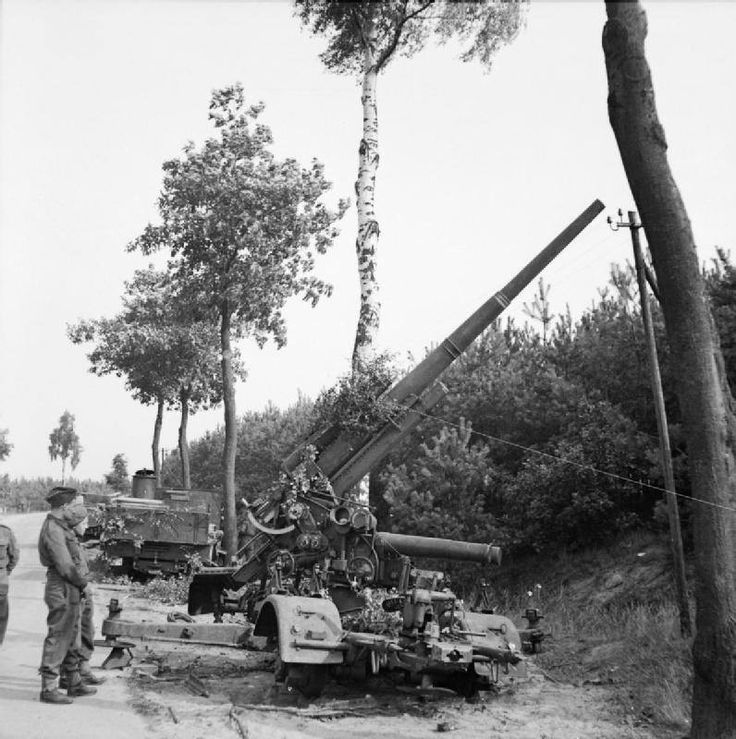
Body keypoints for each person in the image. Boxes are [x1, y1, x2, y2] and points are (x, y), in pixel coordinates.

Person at [38, 486, 96, 705]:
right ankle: (49, 688)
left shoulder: (61, 526)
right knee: (59, 635)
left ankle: (73, 681)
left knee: (73, 633)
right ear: (64, 506)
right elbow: (64, 565)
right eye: (73, 505)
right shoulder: (53, 529)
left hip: (69, 586)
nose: (76, 509)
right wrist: (82, 583)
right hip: (62, 585)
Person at [58, 500, 105, 689]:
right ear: (75, 523)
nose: (86, 526)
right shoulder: (65, 541)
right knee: (72, 634)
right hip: (74, 592)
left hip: (83, 592)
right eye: (84, 522)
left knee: (87, 630)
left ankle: (83, 669)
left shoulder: (76, 541)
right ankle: (69, 676)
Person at [0, 519, 19, 646]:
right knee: (1, 613)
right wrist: (7, 571)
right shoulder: (4, 532)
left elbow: (14, 554)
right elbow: (14, 555)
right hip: (1, 577)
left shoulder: (6, 531)